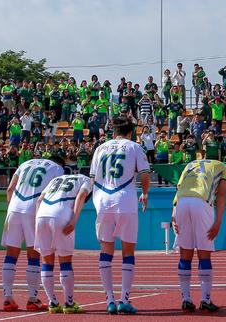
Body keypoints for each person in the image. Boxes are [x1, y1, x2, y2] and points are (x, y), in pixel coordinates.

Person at [89, 117, 151, 315]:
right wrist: (146, 193)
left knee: (105, 251)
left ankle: (109, 300)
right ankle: (124, 299)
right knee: (128, 251)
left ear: (113, 131)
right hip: (125, 199)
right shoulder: (134, 147)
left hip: (102, 200)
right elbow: (144, 174)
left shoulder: (100, 148)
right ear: (130, 132)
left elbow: (92, 178)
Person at [0, 157, 67, 312]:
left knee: (11, 255)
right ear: (60, 163)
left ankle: (7, 298)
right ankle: (32, 299)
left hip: (14, 209)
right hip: (34, 209)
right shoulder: (57, 169)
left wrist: (12, 209)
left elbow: (9, 189)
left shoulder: (25, 163)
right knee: (34, 255)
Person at [171, 158, 226, 313]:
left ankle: (186, 299)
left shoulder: (190, 164)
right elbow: (221, 194)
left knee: (185, 253)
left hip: (181, 203)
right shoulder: (223, 166)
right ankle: (205, 300)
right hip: (201, 202)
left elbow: (179, 189)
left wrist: (173, 215)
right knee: (204, 254)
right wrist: (218, 221)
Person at [33, 170, 92, 314]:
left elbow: (39, 200)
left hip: (41, 215)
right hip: (61, 214)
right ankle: (69, 303)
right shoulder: (85, 179)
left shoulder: (56, 179)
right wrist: (73, 221)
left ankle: (52, 303)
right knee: (65, 262)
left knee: (47, 261)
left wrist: (37, 221)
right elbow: (81, 196)